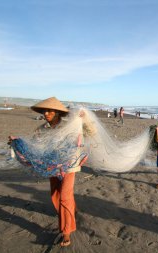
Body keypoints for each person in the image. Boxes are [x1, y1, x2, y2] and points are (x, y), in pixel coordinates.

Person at [9, 97, 95, 247]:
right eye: (44, 111)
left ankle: (66, 231)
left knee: (64, 196)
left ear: (57, 112)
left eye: (50, 110)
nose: (46, 113)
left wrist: (84, 120)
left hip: (69, 165)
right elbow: (33, 146)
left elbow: (91, 132)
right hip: (52, 166)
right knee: (55, 194)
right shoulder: (41, 129)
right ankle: (71, 211)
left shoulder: (71, 125)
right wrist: (17, 143)